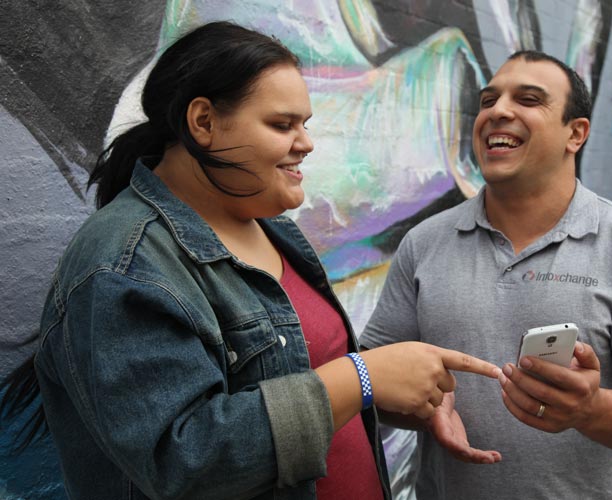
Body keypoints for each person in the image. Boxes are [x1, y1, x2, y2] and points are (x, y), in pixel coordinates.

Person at [4, 21, 502, 500]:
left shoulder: (274, 232)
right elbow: (185, 462)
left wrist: (397, 393)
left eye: (304, 124)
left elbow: (311, 385)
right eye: (282, 124)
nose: (305, 143)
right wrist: (364, 376)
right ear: (203, 123)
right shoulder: (122, 266)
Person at [360, 50, 612, 499]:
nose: (497, 111)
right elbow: (370, 381)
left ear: (575, 134)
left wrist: (589, 407)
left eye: (528, 99)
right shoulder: (423, 244)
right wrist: (426, 407)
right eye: (488, 100)